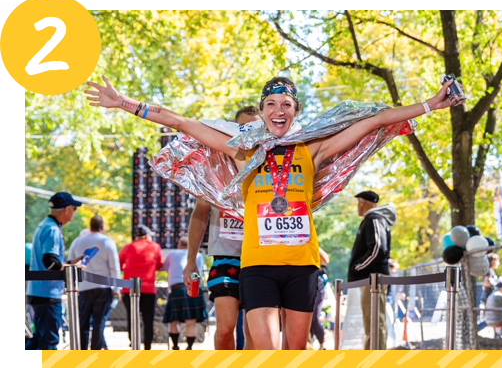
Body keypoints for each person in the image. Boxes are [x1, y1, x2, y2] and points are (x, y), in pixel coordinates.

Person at [85, 74, 458, 349]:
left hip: (303, 266)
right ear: (262, 112)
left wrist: (431, 104)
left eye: (286, 105)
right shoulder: (243, 152)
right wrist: (125, 103)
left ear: (295, 112)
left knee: (295, 353)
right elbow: (182, 122)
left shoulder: (311, 152)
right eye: (271, 105)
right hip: (258, 266)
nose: (279, 110)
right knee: (266, 353)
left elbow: (374, 121)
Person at [183, 105, 261, 350]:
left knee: (255, 334)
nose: (249, 134)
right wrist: (191, 260)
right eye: (244, 128)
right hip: (225, 257)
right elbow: (200, 215)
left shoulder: (268, 168)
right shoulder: (215, 169)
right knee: (226, 329)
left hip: (259, 258)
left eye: (255, 128)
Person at [25, 191, 83, 350]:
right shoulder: (52, 229)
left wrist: (70, 262)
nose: (74, 213)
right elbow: (49, 262)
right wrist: (73, 268)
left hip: (37, 292)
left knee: (38, 339)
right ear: (66, 210)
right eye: (74, 209)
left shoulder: (44, 225)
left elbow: (48, 259)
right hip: (47, 294)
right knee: (49, 342)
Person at [347, 190, 396, 350]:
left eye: (359, 202)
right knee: (373, 322)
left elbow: (378, 247)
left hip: (374, 278)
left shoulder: (374, 219)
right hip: (372, 278)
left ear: (364, 202)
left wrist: (358, 267)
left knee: (375, 323)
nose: (358, 206)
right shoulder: (373, 220)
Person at [68, 215, 121, 350]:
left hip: (83, 288)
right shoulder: (107, 242)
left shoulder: (77, 241)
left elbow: (70, 263)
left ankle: (81, 353)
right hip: (103, 287)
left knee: (82, 323)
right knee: (99, 323)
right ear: (102, 227)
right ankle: (96, 354)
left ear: (90, 226)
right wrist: (117, 290)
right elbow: (114, 267)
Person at [119, 224, 163, 350]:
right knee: (148, 318)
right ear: (147, 236)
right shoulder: (155, 247)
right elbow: (159, 265)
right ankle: (147, 347)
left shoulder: (128, 247)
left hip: (130, 288)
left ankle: (134, 344)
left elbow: (119, 263)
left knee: (132, 318)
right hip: (148, 288)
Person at [161, 236, 208, 350]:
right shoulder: (199, 255)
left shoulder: (172, 254)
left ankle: (175, 346)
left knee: (173, 321)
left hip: (177, 289)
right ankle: (189, 347)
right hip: (194, 288)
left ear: (179, 245)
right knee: (191, 322)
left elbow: (163, 267)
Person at [309, 246, 330, 350]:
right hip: (301, 284)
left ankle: (322, 345)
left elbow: (326, 259)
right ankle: (309, 342)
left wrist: (312, 243)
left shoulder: (312, 245)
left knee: (314, 316)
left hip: (317, 285)